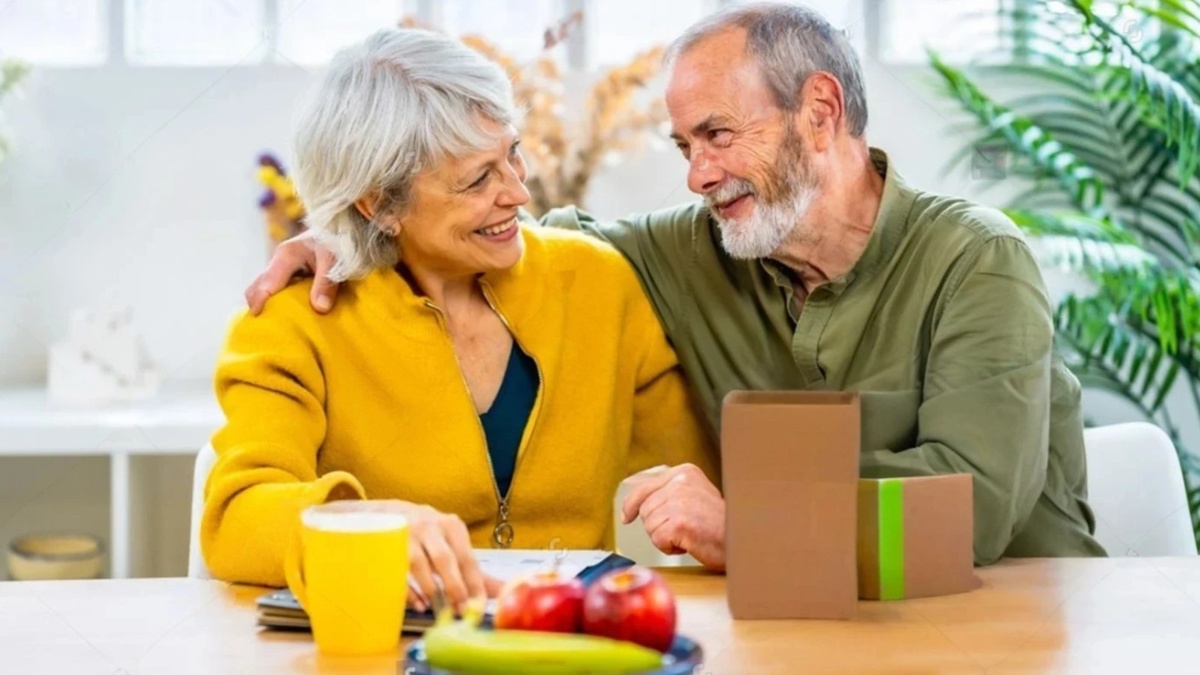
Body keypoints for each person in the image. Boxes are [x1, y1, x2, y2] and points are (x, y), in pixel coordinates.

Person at [246, 3, 1107, 566]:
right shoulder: (700, 246)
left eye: (719, 135)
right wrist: (359, 231)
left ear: (820, 111)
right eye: (684, 146)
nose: (698, 175)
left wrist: (755, 532)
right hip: (811, 628)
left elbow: (967, 515)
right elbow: (544, 250)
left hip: (1006, 622)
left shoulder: (979, 263)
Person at [201, 26, 719, 608]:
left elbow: (714, 473)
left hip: (564, 647)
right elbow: (238, 518)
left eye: (513, 154)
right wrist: (366, 526)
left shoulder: (598, 283)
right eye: (478, 179)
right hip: (381, 651)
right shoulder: (296, 320)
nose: (519, 194)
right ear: (378, 203)